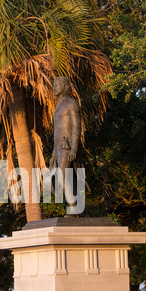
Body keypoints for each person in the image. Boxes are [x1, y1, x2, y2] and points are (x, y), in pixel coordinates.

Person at [49, 77, 84, 214]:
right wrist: (53, 154)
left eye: (56, 85)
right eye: (54, 85)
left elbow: (76, 126)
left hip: (67, 146)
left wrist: (74, 147)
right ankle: (74, 207)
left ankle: (74, 208)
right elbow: (57, 131)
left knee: (62, 176)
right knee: (60, 177)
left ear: (64, 86)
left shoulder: (71, 104)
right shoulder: (58, 106)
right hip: (58, 147)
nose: (54, 88)